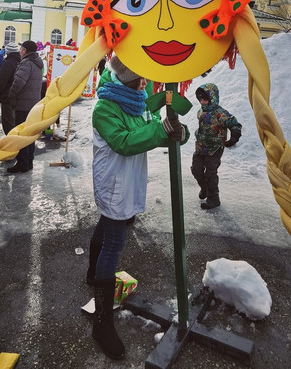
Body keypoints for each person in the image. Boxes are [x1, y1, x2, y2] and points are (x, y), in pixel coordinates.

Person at [86, 55, 187, 359]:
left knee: (107, 223)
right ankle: (102, 321)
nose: (144, 84)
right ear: (122, 78)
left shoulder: (138, 100)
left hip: (127, 179)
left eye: (145, 78)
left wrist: (176, 132)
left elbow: (154, 127)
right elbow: (124, 141)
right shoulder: (105, 107)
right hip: (113, 181)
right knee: (115, 240)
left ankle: (93, 272)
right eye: (137, 80)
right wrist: (161, 130)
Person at [191, 83, 241, 210]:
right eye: (200, 99)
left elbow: (234, 124)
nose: (202, 102)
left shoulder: (220, 113)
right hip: (201, 146)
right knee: (196, 169)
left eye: (205, 99)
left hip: (215, 148)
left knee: (210, 173)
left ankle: (213, 199)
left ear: (212, 98)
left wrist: (234, 137)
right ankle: (205, 188)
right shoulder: (200, 111)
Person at [6, 40, 44, 173]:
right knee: (29, 134)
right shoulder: (37, 62)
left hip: (23, 104)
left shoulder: (26, 63)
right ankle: (29, 161)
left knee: (22, 134)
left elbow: (19, 82)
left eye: (21, 49)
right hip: (33, 104)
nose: (20, 51)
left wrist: (11, 94)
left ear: (25, 50)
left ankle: (22, 163)